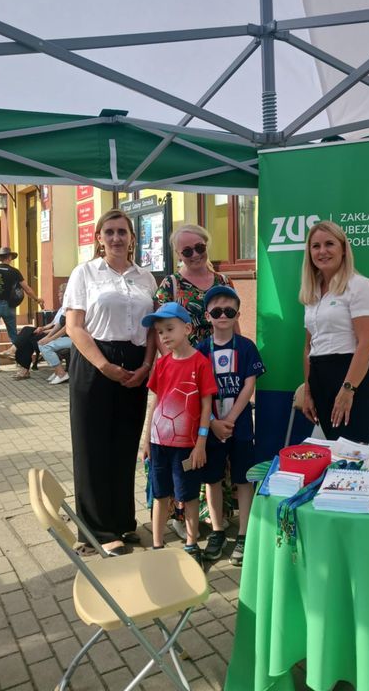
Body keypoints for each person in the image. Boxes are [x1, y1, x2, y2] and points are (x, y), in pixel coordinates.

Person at [64, 209, 157, 557]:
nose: (116, 238)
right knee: (92, 447)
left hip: (135, 363)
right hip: (95, 360)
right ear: (99, 238)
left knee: (124, 444)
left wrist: (146, 365)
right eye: (110, 232)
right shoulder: (85, 273)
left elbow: (152, 329)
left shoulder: (145, 277)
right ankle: (97, 531)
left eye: (122, 231)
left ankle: (122, 521)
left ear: (132, 238)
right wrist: (103, 365)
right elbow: (74, 327)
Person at [155, 223, 238, 538]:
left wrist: (239, 357)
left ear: (207, 245)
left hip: (220, 369)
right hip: (185, 374)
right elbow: (160, 332)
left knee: (216, 441)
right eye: (186, 251)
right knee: (184, 440)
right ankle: (182, 512)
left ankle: (217, 511)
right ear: (178, 254)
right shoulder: (171, 285)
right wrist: (167, 369)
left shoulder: (224, 281)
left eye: (199, 248)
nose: (194, 255)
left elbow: (233, 323)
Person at [141, 302, 217, 566]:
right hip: (159, 443)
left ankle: (191, 543)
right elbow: (155, 402)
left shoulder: (201, 363)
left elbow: (207, 406)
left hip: (187, 446)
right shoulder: (162, 364)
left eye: (169, 329)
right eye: (160, 331)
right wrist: (147, 440)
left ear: (187, 328)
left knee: (188, 495)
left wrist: (201, 443)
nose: (164, 336)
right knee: (160, 494)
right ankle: (157, 544)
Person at [196, 285, 265, 565]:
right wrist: (213, 423)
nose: (223, 315)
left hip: (240, 426)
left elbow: (249, 386)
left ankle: (244, 533)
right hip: (211, 427)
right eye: (216, 312)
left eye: (229, 311)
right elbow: (199, 392)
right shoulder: (201, 350)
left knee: (243, 479)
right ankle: (217, 531)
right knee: (212, 479)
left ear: (238, 314)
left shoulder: (246, 347)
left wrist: (231, 420)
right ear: (207, 316)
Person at [300, 220, 369, 443]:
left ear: (343, 249)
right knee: (334, 454)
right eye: (316, 246)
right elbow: (308, 347)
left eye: (329, 244)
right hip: (319, 382)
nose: (322, 251)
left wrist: (347, 390)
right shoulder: (311, 292)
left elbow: (367, 343)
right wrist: (308, 391)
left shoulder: (359, 285)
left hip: (349, 379)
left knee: (353, 454)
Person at [0, 247, 44, 373]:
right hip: (9, 306)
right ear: (9, 257)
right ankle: (20, 363)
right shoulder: (14, 271)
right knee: (14, 335)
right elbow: (27, 289)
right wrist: (37, 299)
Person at [0, 283, 69, 380]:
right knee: (27, 334)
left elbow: (62, 327)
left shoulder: (68, 309)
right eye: (58, 295)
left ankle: (20, 362)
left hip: (58, 335)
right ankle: (16, 357)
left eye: (61, 296)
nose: (59, 298)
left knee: (27, 336)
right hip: (51, 331)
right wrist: (42, 328)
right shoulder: (62, 309)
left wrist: (46, 333)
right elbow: (52, 323)